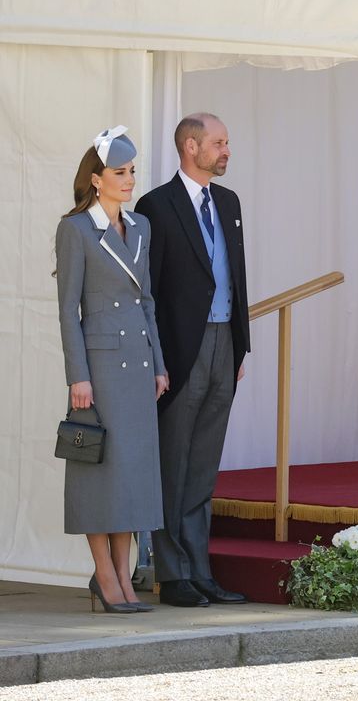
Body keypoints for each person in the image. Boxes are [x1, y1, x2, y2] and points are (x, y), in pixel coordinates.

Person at [135, 113, 251, 606]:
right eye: (218, 143)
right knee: (173, 461)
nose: (226, 151)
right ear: (190, 146)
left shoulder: (228, 202)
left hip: (225, 343)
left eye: (227, 142)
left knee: (204, 463)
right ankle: (173, 572)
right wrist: (156, 359)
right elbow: (149, 291)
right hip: (181, 349)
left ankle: (200, 570)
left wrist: (241, 344)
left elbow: (237, 276)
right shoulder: (155, 206)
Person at [55, 126, 169, 613]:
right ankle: (105, 575)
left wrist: (159, 366)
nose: (129, 180)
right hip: (98, 371)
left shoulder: (140, 226)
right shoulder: (77, 229)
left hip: (138, 368)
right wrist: (77, 376)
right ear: (96, 179)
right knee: (99, 474)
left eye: (132, 172)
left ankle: (124, 577)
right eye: (120, 173)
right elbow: (68, 310)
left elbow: (147, 303)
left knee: (131, 476)